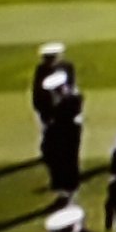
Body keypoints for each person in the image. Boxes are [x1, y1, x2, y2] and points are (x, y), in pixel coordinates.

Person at [41, 72, 83, 201]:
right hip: (63, 131)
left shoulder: (69, 98)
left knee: (66, 159)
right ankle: (64, 187)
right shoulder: (66, 97)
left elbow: (64, 114)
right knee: (59, 159)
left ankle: (67, 189)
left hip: (66, 132)